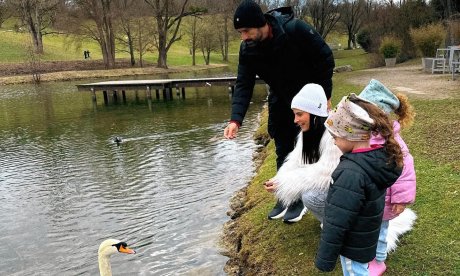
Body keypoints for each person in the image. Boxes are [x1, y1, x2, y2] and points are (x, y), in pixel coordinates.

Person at [224, 0, 335, 222]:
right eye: (240, 32)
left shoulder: (295, 30)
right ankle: (286, 195)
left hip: (309, 97)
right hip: (281, 97)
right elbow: (244, 83)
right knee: (282, 143)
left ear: (260, 23)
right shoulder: (248, 49)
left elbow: (325, 58)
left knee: (309, 143)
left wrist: (324, 96)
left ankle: (304, 195)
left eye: (246, 31)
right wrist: (236, 119)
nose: (243, 37)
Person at [315, 94, 403, 275]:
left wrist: (325, 258)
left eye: (336, 136)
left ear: (351, 135)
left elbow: (337, 220)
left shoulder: (350, 172)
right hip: (366, 238)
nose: (333, 141)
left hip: (352, 244)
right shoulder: (377, 159)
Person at [358, 79, 417, 276]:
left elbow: (405, 171)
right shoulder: (362, 137)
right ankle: (367, 256)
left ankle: (379, 261)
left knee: (381, 232)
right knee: (367, 230)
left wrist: (400, 199)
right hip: (368, 199)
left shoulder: (393, 143)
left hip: (386, 200)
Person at [263, 83, 342, 223]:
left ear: (314, 113)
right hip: (345, 185)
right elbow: (298, 160)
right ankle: (331, 221)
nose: (295, 120)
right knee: (310, 192)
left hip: (354, 188)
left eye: (299, 114)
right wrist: (279, 180)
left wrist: (284, 184)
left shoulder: (333, 134)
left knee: (311, 196)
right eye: (294, 114)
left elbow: (326, 172)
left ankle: (336, 224)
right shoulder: (312, 130)